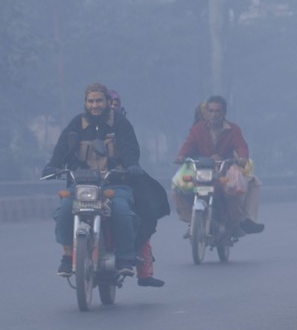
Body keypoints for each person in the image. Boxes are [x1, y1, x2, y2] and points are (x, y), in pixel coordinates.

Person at [42, 83, 140, 279]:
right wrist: (53, 165)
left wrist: (131, 166)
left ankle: (125, 259)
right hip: (81, 186)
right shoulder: (76, 124)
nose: (95, 105)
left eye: (99, 101)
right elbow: (62, 148)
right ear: (85, 103)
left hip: (114, 183)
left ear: (107, 102)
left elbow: (130, 149)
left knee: (122, 211)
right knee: (64, 212)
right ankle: (68, 256)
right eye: (91, 101)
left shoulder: (120, 123)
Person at [173, 95, 265, 236]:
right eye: (211, 111)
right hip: (202, 169)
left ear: (223, 113)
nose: (214, 114)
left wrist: (242, 158)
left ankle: (241, 221)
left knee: (242, 186)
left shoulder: (233, 130)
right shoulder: (197, 129)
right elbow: (188, 145)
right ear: (206, 112)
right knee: (178, 187)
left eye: (217, 111)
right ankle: (191, 220)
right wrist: (181, 156)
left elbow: (241, 146)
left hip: (224, 170)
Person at [109, 89, 168, 287]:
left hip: (123, 179)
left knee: (146, 212)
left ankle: (144, 271)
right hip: (90, 182)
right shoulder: (83, 124)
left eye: (113, 102)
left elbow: (131, 150)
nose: (110, 106)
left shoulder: (123, 126)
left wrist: (131, 165)